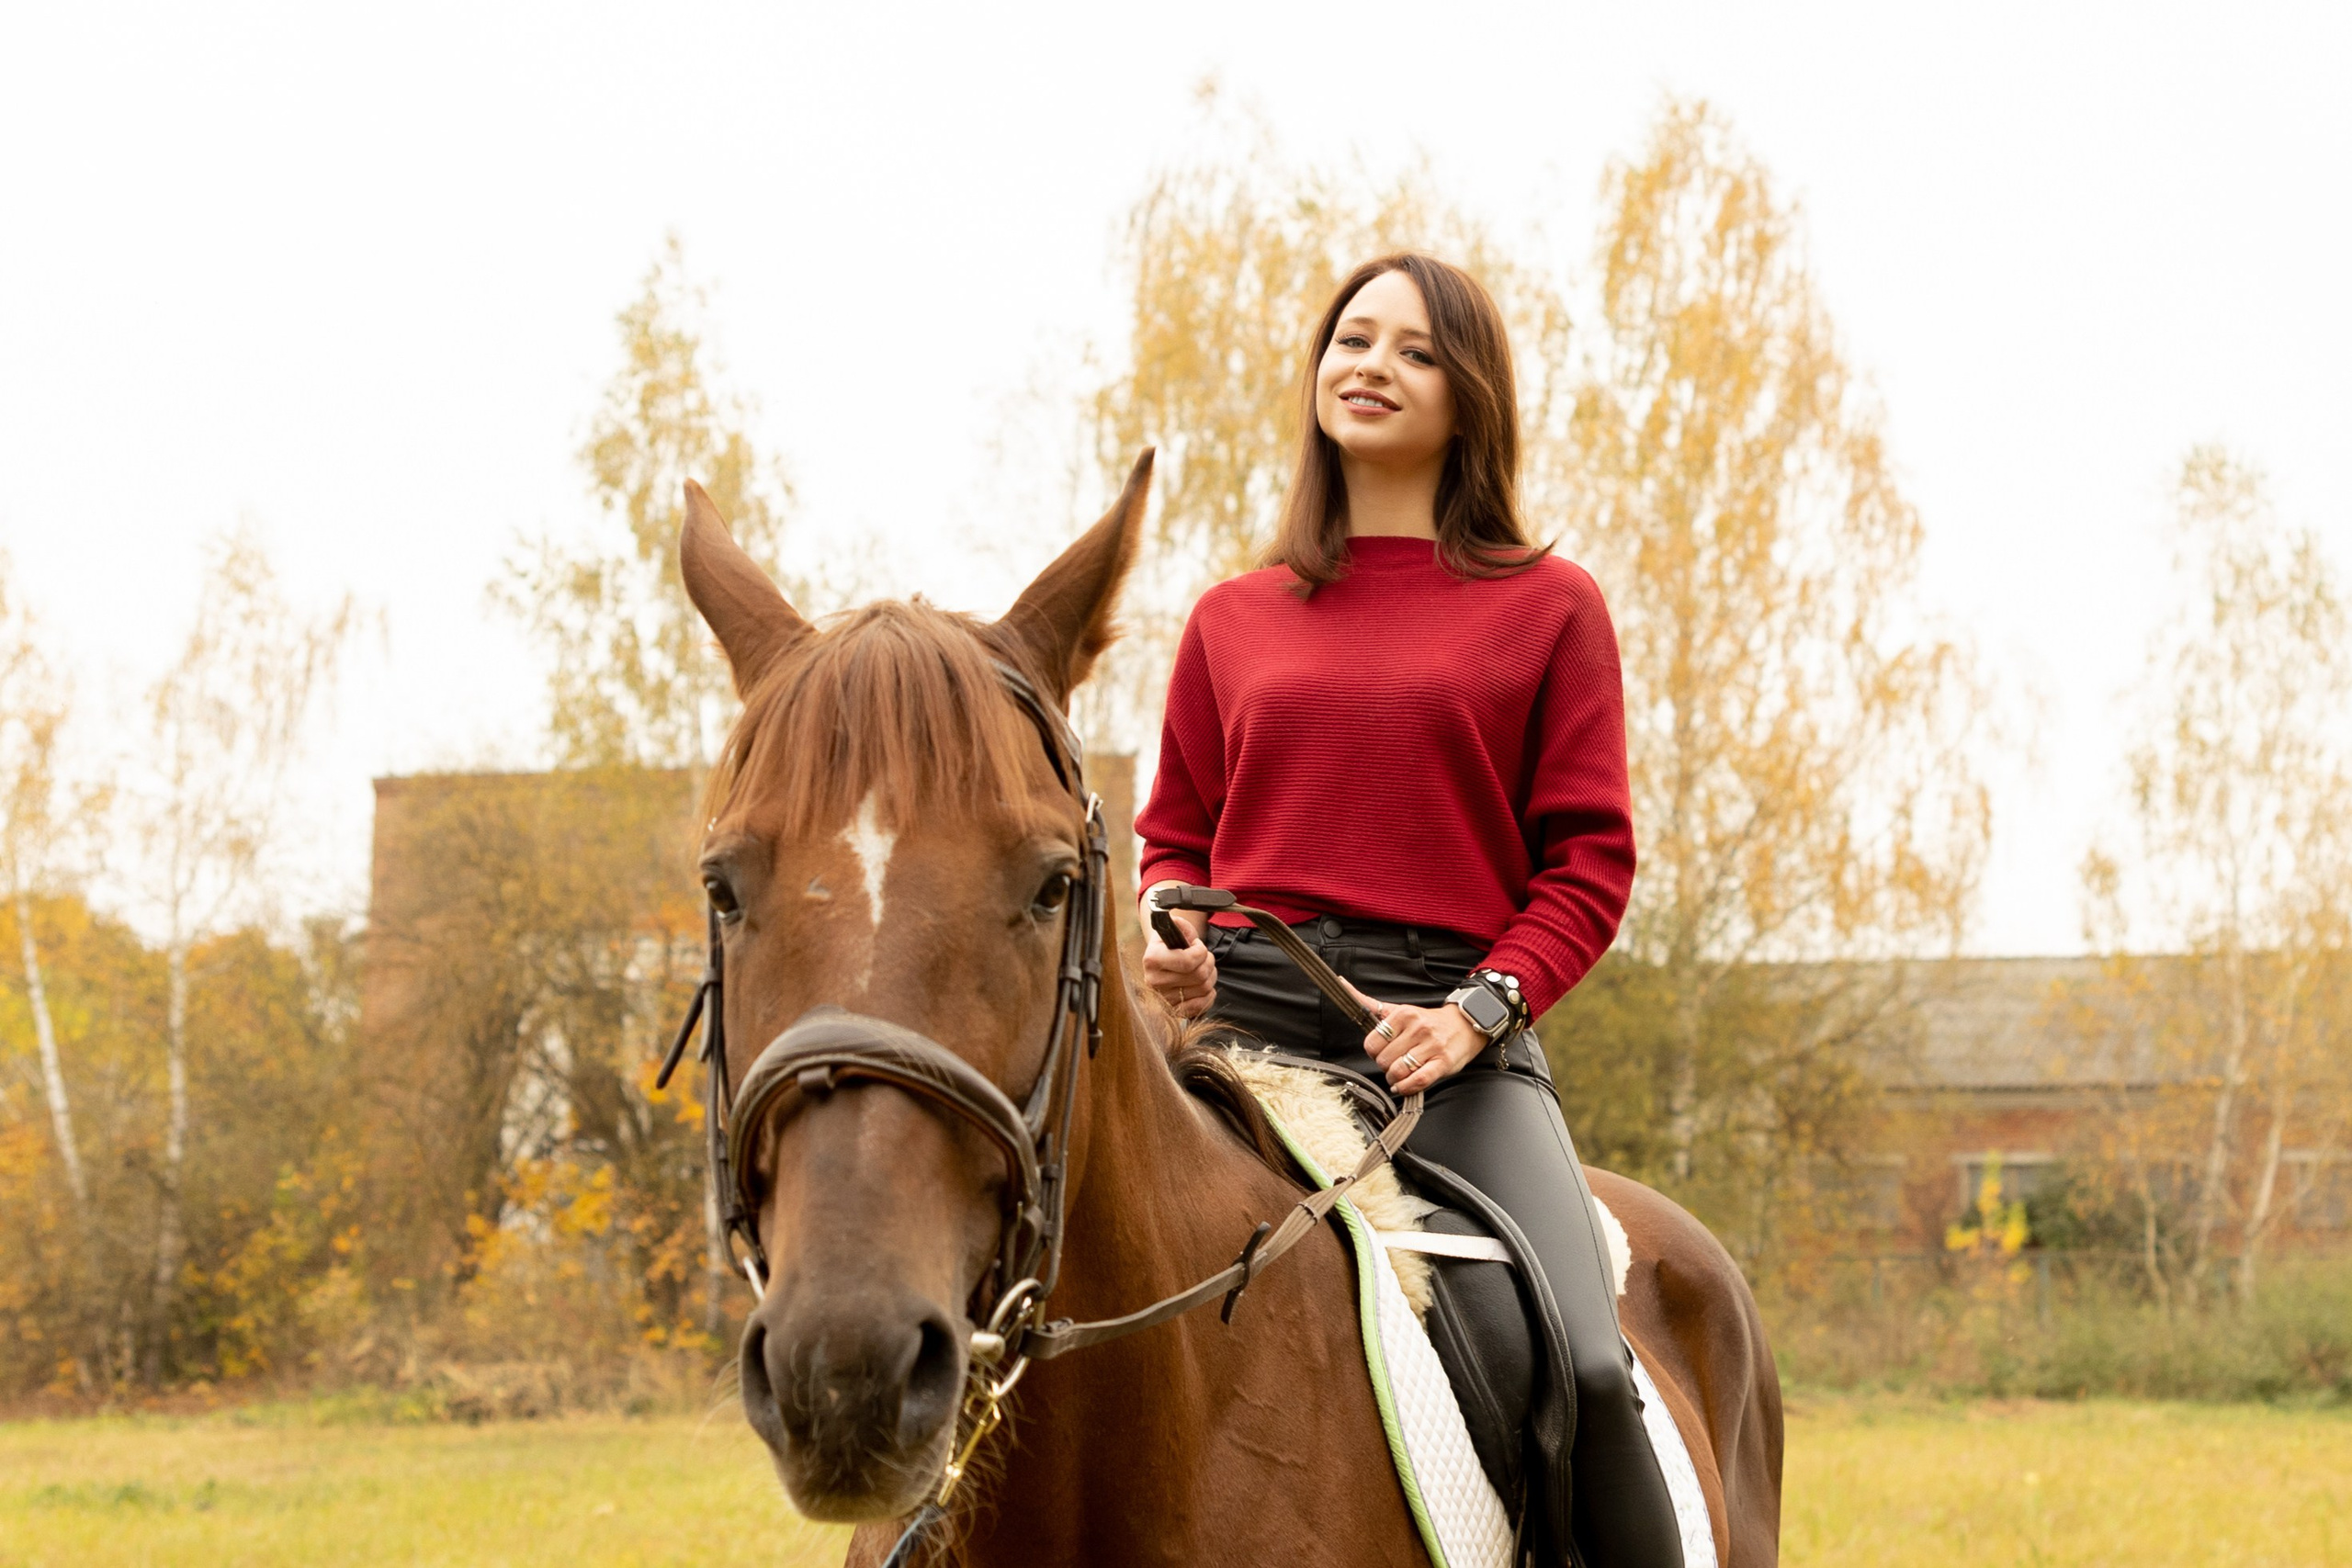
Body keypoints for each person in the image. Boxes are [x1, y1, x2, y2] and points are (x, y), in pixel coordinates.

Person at [1136, 253, 1683, 1566]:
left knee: (1588, 1372)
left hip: (1447, 1042)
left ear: (1470, 396)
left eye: (1415, 351)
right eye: (1352, 339)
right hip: (1243, 1032)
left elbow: (1589, 864)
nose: (1370, 366)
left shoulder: (1550, 607)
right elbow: (1174, 838)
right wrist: (1169, 934)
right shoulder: (1232, 617)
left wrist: (1475, 1015)